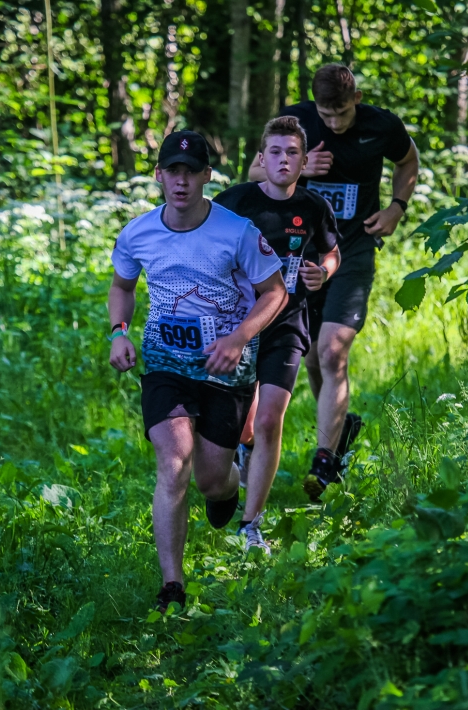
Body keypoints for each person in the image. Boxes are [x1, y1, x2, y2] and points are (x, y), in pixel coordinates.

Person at [108, 130, 287, 612]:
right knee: (173, 463)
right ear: (159, 175)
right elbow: (122, 286)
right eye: (173, 171)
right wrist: (119, 332)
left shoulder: (237, 232)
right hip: (166, 364)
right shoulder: (138, 233)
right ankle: (172, 585)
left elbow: (275, 292)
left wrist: (239, 338)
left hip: (225, 368)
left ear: (208, 175)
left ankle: (232, 478)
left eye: (191, 172)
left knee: (211, 481)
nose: (181, 181)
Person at [248, 64, 420, 501]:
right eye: (326, 115)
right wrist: (302, 167)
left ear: (356, 99)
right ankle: (341, 432)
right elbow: (253, 173)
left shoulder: (381, 126)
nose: (334, 123)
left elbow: (408, 160)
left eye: (341, 113)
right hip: (303, 252)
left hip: (353, 251)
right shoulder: (296, 122)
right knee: (311, 357)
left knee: (332, 350)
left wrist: (397, 207)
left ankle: (325, 462)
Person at [213, 116, 341, 553]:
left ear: (304, 162)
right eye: (275, 152)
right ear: (261, 158)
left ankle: (251, 526)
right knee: (245, 425)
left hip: (287, 322)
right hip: (236, 324)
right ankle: (243, 449)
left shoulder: (315, 207)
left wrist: (323, 272)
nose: (283, 160)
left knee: (270, 419)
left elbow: (332, 252)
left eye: (292, 153)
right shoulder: (234, 201)